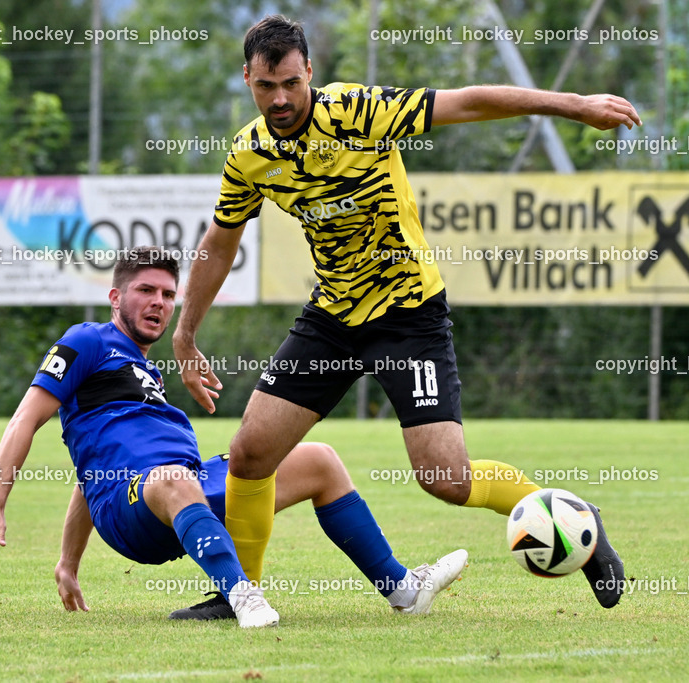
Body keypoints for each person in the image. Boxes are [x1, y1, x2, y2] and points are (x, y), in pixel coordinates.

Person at [172, 15, 631, 610]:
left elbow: (467, 102)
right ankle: (237, 591)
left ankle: (578, 523)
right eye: (266, 86)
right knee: (252, 452)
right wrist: (185, 334)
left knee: (446, 479)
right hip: (333, 317)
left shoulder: (357, 112)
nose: (280, 98)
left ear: (310, 71)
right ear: (247, 79)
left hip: (407, 314)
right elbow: (221, 240)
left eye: (290, 82)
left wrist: (575, 105)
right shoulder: (250, 154)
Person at [0, 246, 467, 626]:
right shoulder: (86, 341)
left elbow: (87, 471)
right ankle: (242, 596)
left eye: (168, 294)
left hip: (179, 487)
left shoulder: (145, 373)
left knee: (320, 460)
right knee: (172, 476)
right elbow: (25, 420)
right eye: (145, 290)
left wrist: (67, 564)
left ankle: (401, 589)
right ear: (115, 297)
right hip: (133, 511)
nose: (159, 302)